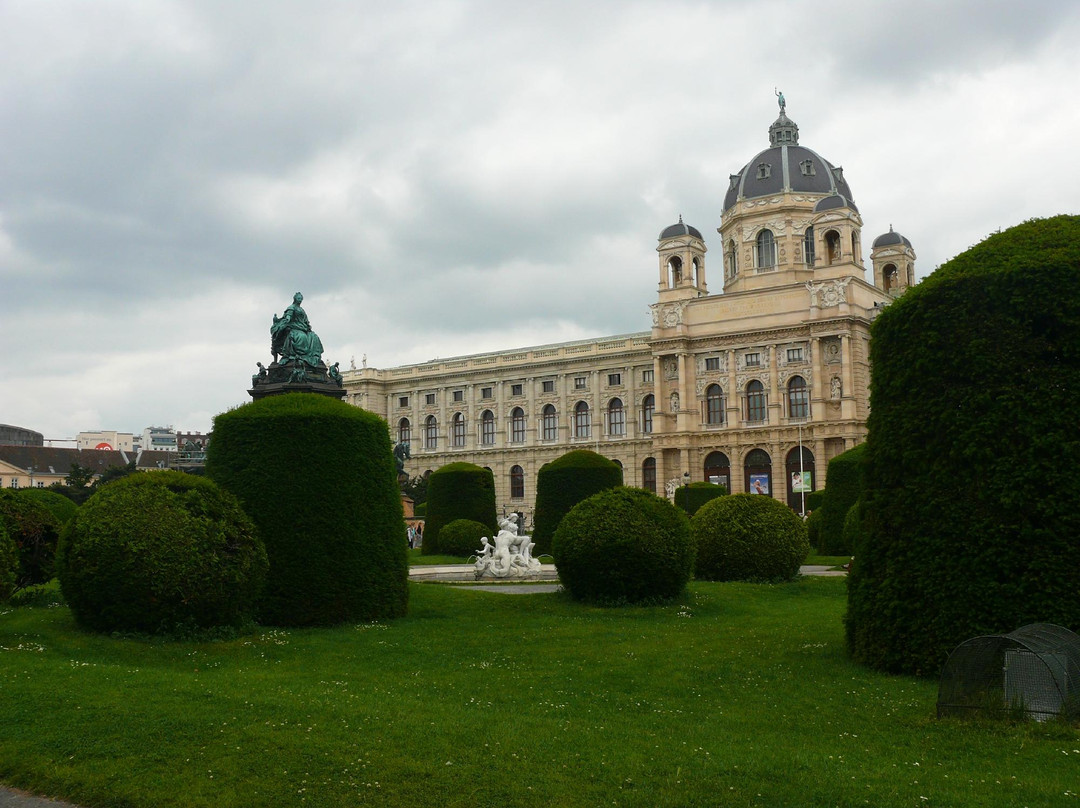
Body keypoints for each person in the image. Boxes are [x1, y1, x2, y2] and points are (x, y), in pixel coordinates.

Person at [271, 292, 325, 366]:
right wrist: (287, 319)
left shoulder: (302, 309)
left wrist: (307, 325)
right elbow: (288, 317)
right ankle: (298, 356)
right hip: (294, 327)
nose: (300, 300)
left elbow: (305, 320)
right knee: (301, 337)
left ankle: (313, 357)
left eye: (301, 299)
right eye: (298, 298)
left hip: (303, 328)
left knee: (314, 337)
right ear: (295, 299)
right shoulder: (291, 307)